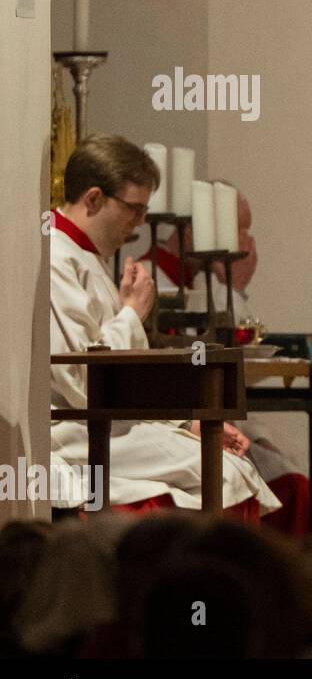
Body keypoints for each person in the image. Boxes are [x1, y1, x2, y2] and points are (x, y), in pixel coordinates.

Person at [50, 135, 280, 518]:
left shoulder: (87, 258)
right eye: (134, 209)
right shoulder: (57, 258)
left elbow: (117, 378)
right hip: (74, 435)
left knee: (231, 469)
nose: (141, 223)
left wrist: (186, 422)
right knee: (223, 474)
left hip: (110, 427)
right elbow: (80, 381)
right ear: (93, 199)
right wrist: (130, 314)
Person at [138, 182, 312, 535]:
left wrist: (233, 288)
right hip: (179, 420)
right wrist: (231, 287)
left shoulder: (201, 278)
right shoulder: (148, 277)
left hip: (221, 417)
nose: (244, 243)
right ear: (192, 229)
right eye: (236, 229)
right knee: (296, 488)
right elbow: (194, 365)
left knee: (311, 481)